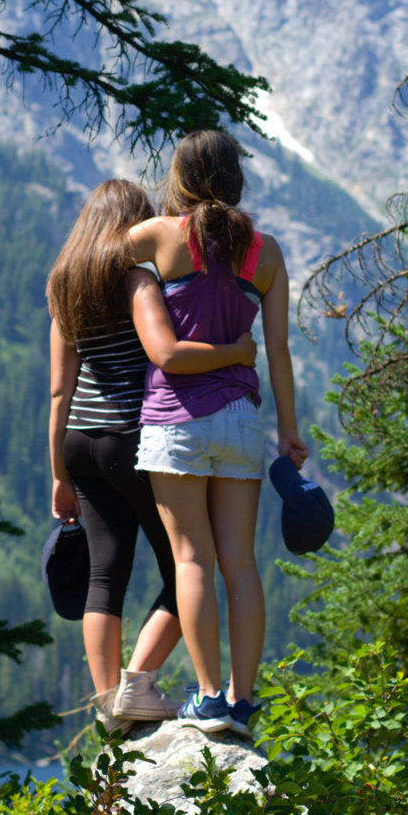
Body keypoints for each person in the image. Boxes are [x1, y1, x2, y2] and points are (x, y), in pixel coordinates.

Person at [47, 180, 257, 726]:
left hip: (80, 440)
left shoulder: (65, 283)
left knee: (105, 572)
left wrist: (59, 472)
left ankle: (108, 705)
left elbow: (58, 391)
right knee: (185, 564)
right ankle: (136, 685)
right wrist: (235, 352)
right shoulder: (136, 279)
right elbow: (165, 351)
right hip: (131, 435)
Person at [126, 130, 309, 738]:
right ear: (236, 178)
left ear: (179, 178)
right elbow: (276, 349)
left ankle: (207, 700)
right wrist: (288, 431)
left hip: (175, 419)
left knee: (191, 560)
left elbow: (98, 256)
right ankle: (243, 702)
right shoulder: (267, 252)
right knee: (241, 565)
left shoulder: (161, 236)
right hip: (240, 418)